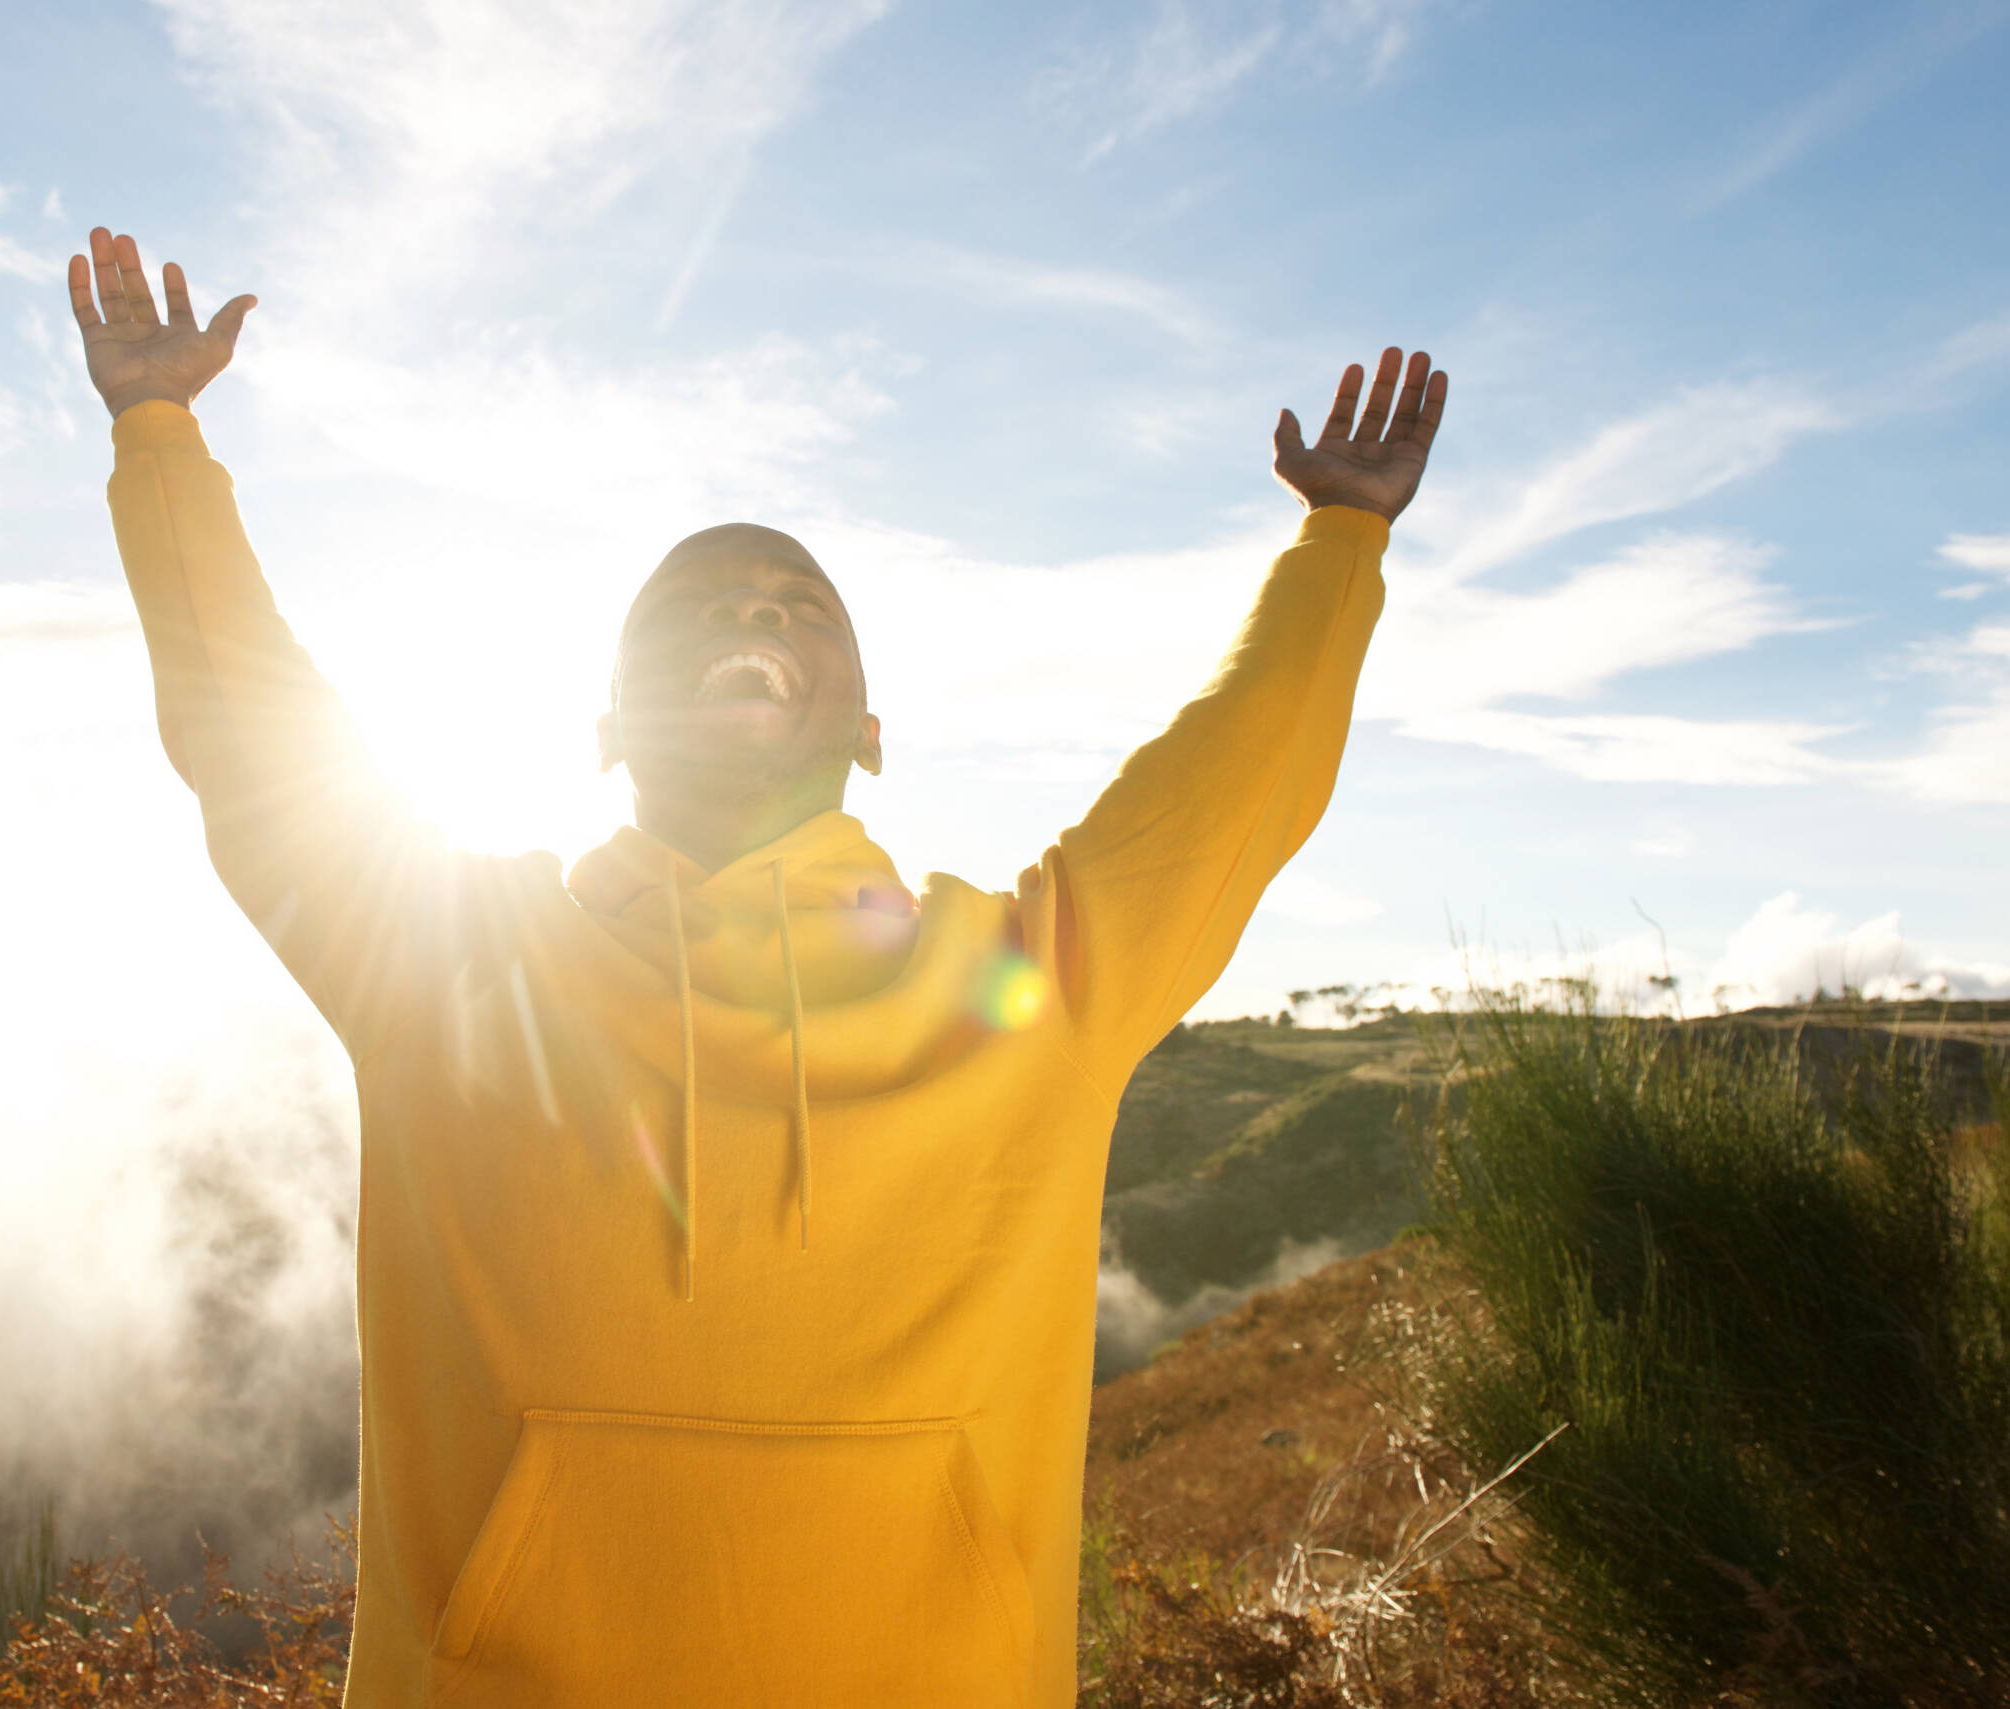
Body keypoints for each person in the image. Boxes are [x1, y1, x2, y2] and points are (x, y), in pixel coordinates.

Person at [70, 226, 1443, 1709]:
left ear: (869, 727)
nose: (747, 615)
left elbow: (1227, 787)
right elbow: (259, 744)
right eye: (694, 613)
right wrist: (160, 437)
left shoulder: (1030, 986)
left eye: (798, 608)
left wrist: (1338, 545)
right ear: (607, 727)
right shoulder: (457, 969)